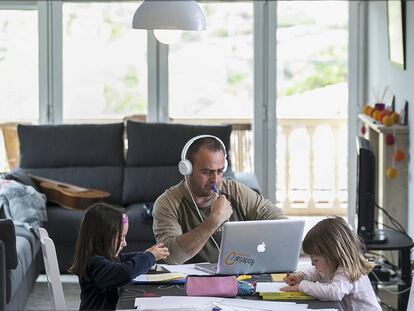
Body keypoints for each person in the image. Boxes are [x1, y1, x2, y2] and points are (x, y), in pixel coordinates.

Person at [153, 135, 286, 264]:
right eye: (206, 172)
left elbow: (279, 220)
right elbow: (171, 257)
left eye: (220, 171)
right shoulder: (167, 203)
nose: (215, 180)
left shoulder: (235, 190)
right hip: (192, 281)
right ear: (187, 169)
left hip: (239, 273)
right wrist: (214, 220)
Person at [69, 203, 169, 310]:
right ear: (103, 237)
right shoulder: (94, 264)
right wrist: (150, 256)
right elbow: (125, 273)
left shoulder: (106, 258)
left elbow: (125, 259)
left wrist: (146, 254)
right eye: (121, 237)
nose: (124, 243)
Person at [281, 217, 381, 311]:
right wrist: (301, 276)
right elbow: (317, 272)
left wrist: (301, 286)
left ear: (333, 255)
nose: (312, 263)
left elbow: (334, 293)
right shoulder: (334, 264)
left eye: (315, 260)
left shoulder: (347, 270)